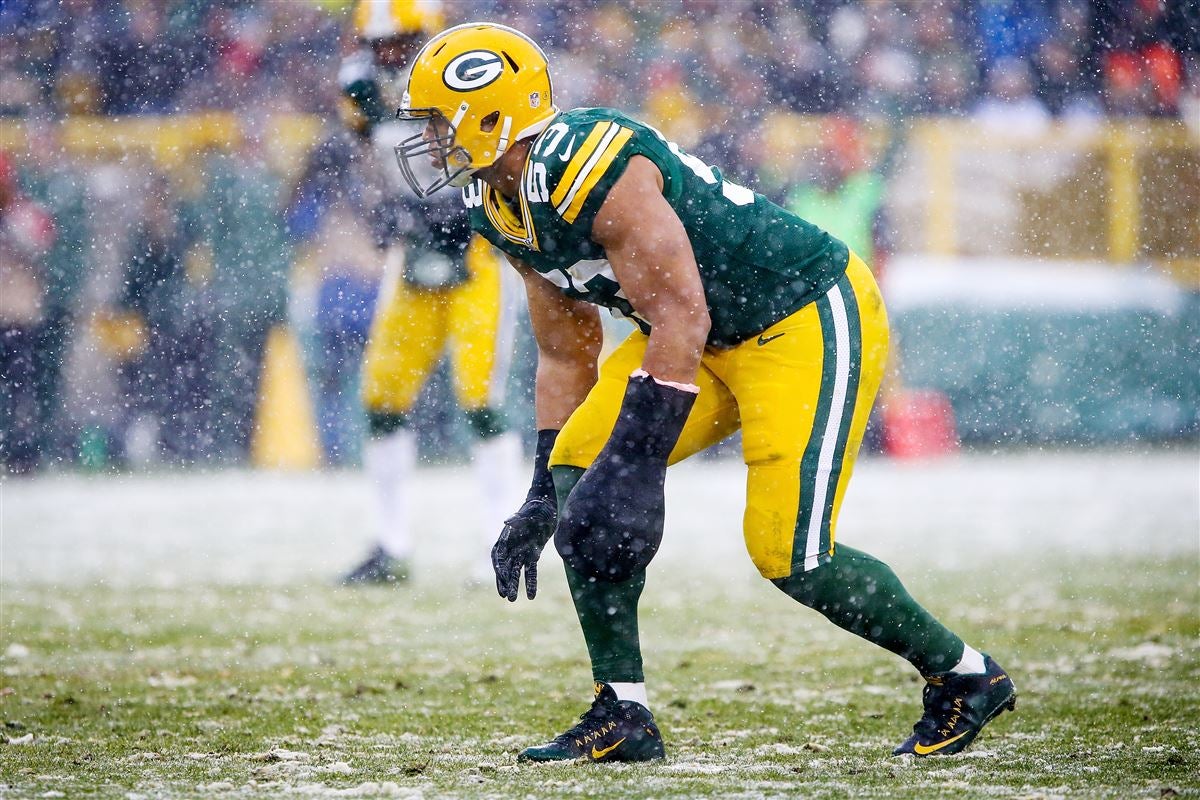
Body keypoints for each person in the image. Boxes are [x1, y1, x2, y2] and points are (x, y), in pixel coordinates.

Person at [394, 23, 1018, 763]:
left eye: (437, 121)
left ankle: (966, 676)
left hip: (800, 316)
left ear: (491, 117)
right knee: (578, 470)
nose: (428, 140)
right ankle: (622, 711)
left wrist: (641, 458)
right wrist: (540, 488)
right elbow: (567, 352)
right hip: (695, 336)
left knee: (790, 553)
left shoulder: (593, 167)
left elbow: (682, 311)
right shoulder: (497, 204)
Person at [337, 1, 522, 584]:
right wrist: (389, 214)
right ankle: (390, 544)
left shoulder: (464, 76)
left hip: (479, 249)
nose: (392, 56)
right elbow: (370, 158)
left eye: (404, 44)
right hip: (413, 248)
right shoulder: (361, 87)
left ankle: (501, 542)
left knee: (481, 399)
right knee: (383, 398)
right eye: (383, 47)